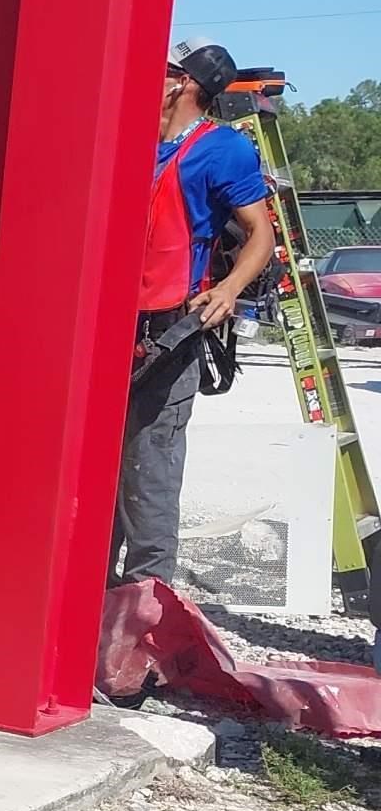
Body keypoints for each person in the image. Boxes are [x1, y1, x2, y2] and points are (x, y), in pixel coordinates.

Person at [118, 38, 277, 586]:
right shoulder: (135, 143)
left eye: (163, 72)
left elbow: (262, 235)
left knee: (150, 475)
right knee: (98, 472)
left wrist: (230, 288)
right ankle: (91, 604)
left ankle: (145, 619)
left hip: (170, 334)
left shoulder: (223, 149)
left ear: (186, 84)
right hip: (110, 330)